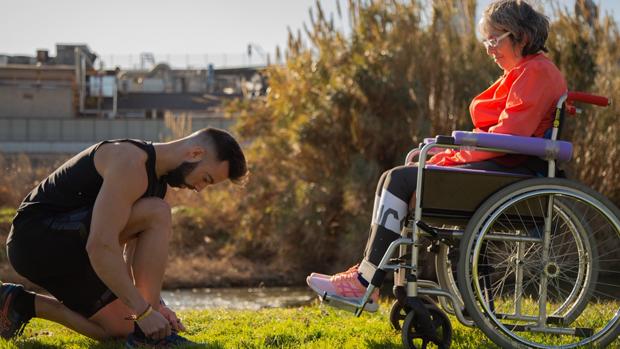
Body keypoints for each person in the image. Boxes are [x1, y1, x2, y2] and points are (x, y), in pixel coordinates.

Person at [306, 0, 567, 312]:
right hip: (503, 170)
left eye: (494, 39)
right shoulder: (525, 71)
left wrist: (453, 154)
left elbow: (509, 137)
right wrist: (448, 153)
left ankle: (364, 282)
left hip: (510, 176)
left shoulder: (536, 73)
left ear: (521, 37)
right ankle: (368, 277)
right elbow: (503, 135)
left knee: (399, 179)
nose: (488, 49)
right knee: (400, 175)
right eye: (486, 41)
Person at [1, 127, 247, 347]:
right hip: (34, 240)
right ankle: (148, 336)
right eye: (206, 179)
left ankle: (19, 303)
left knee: (122, 328)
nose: (200, 189)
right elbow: (100, 245)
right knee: (158, 213)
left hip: (69, 248)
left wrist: (155, 308)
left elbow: (130, 253)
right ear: (195, 154)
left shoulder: (157, 186)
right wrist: (143, 311)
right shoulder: (130, 161)